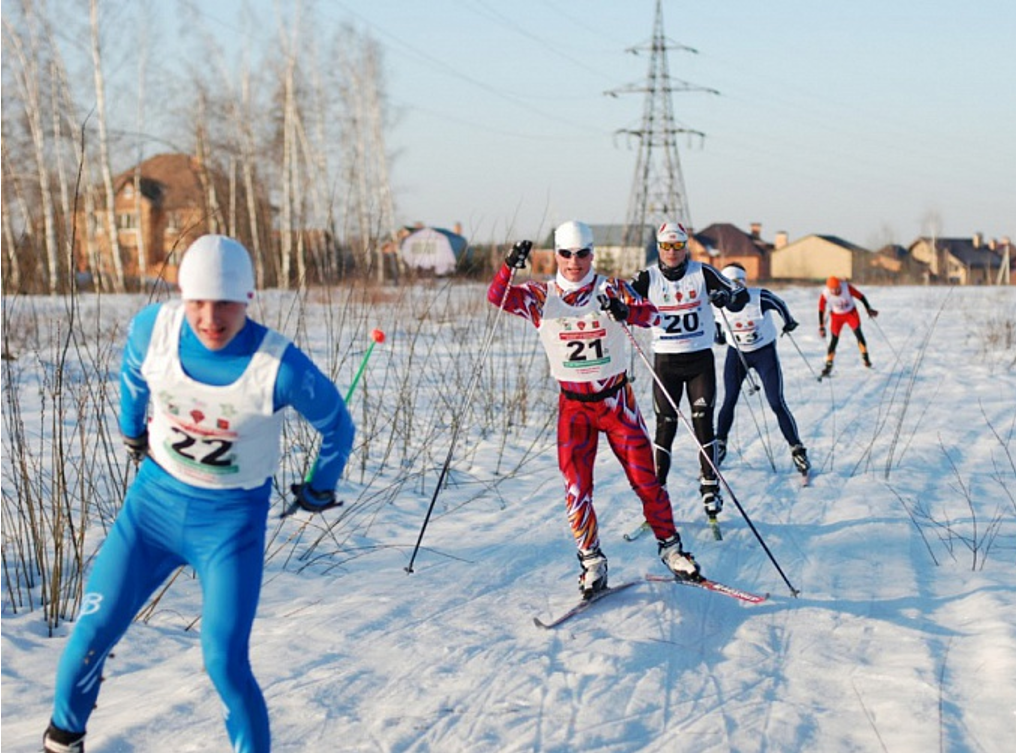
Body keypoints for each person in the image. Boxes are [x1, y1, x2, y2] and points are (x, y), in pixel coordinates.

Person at [43, 235, 355, 753]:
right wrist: (131, 431)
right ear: (181, 296)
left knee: (224, 661)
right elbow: (132, 377)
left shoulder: (279, 366)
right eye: (198, 302)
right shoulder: (154, 329)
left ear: (249, 297)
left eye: (226, 302)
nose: (210, 317)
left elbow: (338, 427)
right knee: (88, 637)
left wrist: (321, 486)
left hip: (229, 528)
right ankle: (62, 742)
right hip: (151, 514)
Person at [487, 220, 701, 599]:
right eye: (567, 254)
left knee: (646, 480)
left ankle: (671, 548)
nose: (574, 262)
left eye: (582, 253)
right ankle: (591, 561)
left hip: (617, 403)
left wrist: (624, 311)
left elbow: (654, 316)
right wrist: (509, 266)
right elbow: (497, 297)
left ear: (592, 254)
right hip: (575, 408)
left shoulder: (611, 287)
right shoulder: (541, 295)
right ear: (556, 255)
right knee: (576, 488)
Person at [629, 221, 749, 523]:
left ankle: (710, 488)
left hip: (699, 362)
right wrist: (616, 308)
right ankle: (657, 496)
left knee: (703, 424)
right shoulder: (648, 277)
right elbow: (622, 300)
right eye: (667, 246)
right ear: (659, 247)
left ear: (686, 247)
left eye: (678, 246)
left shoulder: (702, 272)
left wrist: (727, 299)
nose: (672, 252)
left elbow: (738, 296)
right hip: (666, 363)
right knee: (665, 428)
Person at [712, 263, 810, 478]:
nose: (734, 289)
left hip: (764, 353)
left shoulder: (759, 297)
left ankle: (797, 449)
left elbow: (779, 303)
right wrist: (717, 336)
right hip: (736, 355)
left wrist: (789, 322)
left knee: (776, 401)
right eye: (729, 284)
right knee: (729, 399)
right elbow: (716, 330)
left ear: (744, 283)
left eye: (738, 283)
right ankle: (719, 444)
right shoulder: (717, 304)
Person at [818, 276, 879, 377]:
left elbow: (861, 296)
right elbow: (821, 309)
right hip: (836, 316)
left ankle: (866, 359)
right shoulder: (826, 293)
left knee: (858, 334)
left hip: (850, 313)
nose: (835, 291)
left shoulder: (846, 287)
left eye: (837, 288)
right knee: (834, 339)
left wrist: (868, 308)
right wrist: (821, 326)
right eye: (833, 290)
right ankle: (828, 365)